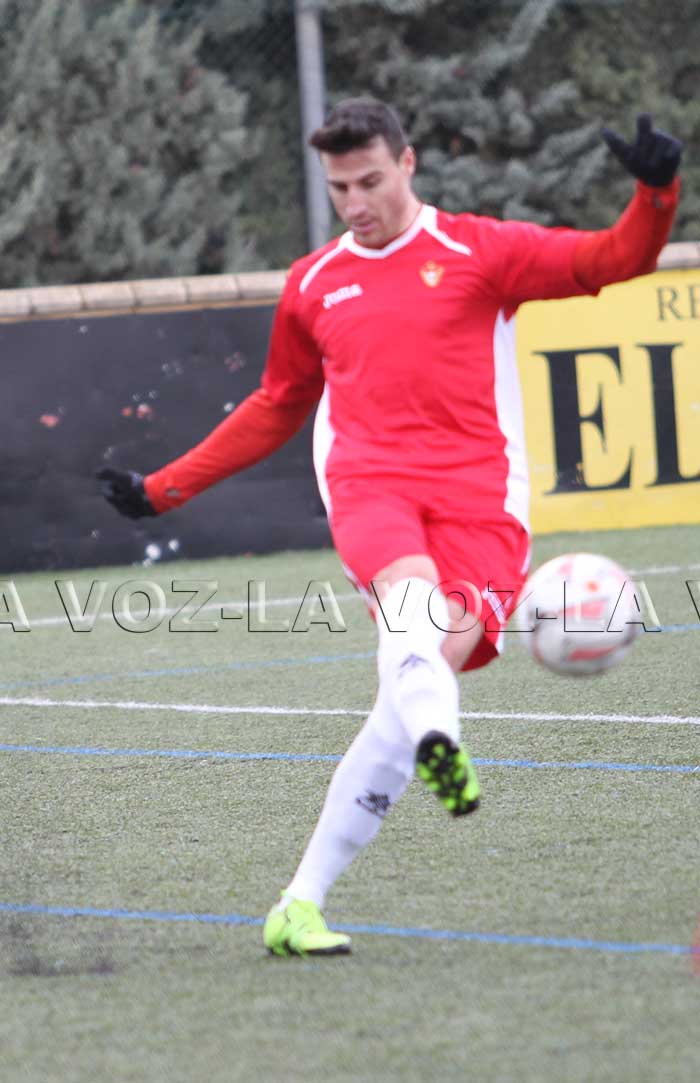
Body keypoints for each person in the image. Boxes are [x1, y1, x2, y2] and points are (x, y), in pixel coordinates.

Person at [98, 100, 682, 957]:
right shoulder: (314, 283)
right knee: (412, 624)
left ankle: (299, 902)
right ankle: (443, 737)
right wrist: (163, 489)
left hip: (482, 503)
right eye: (339, 187)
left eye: (369, 181)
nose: (355, 202)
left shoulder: (480, 250)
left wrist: (656, 194)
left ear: (408, 164)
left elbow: (611, 260)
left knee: (414, 678)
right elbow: (277, 405)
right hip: (371, 486)